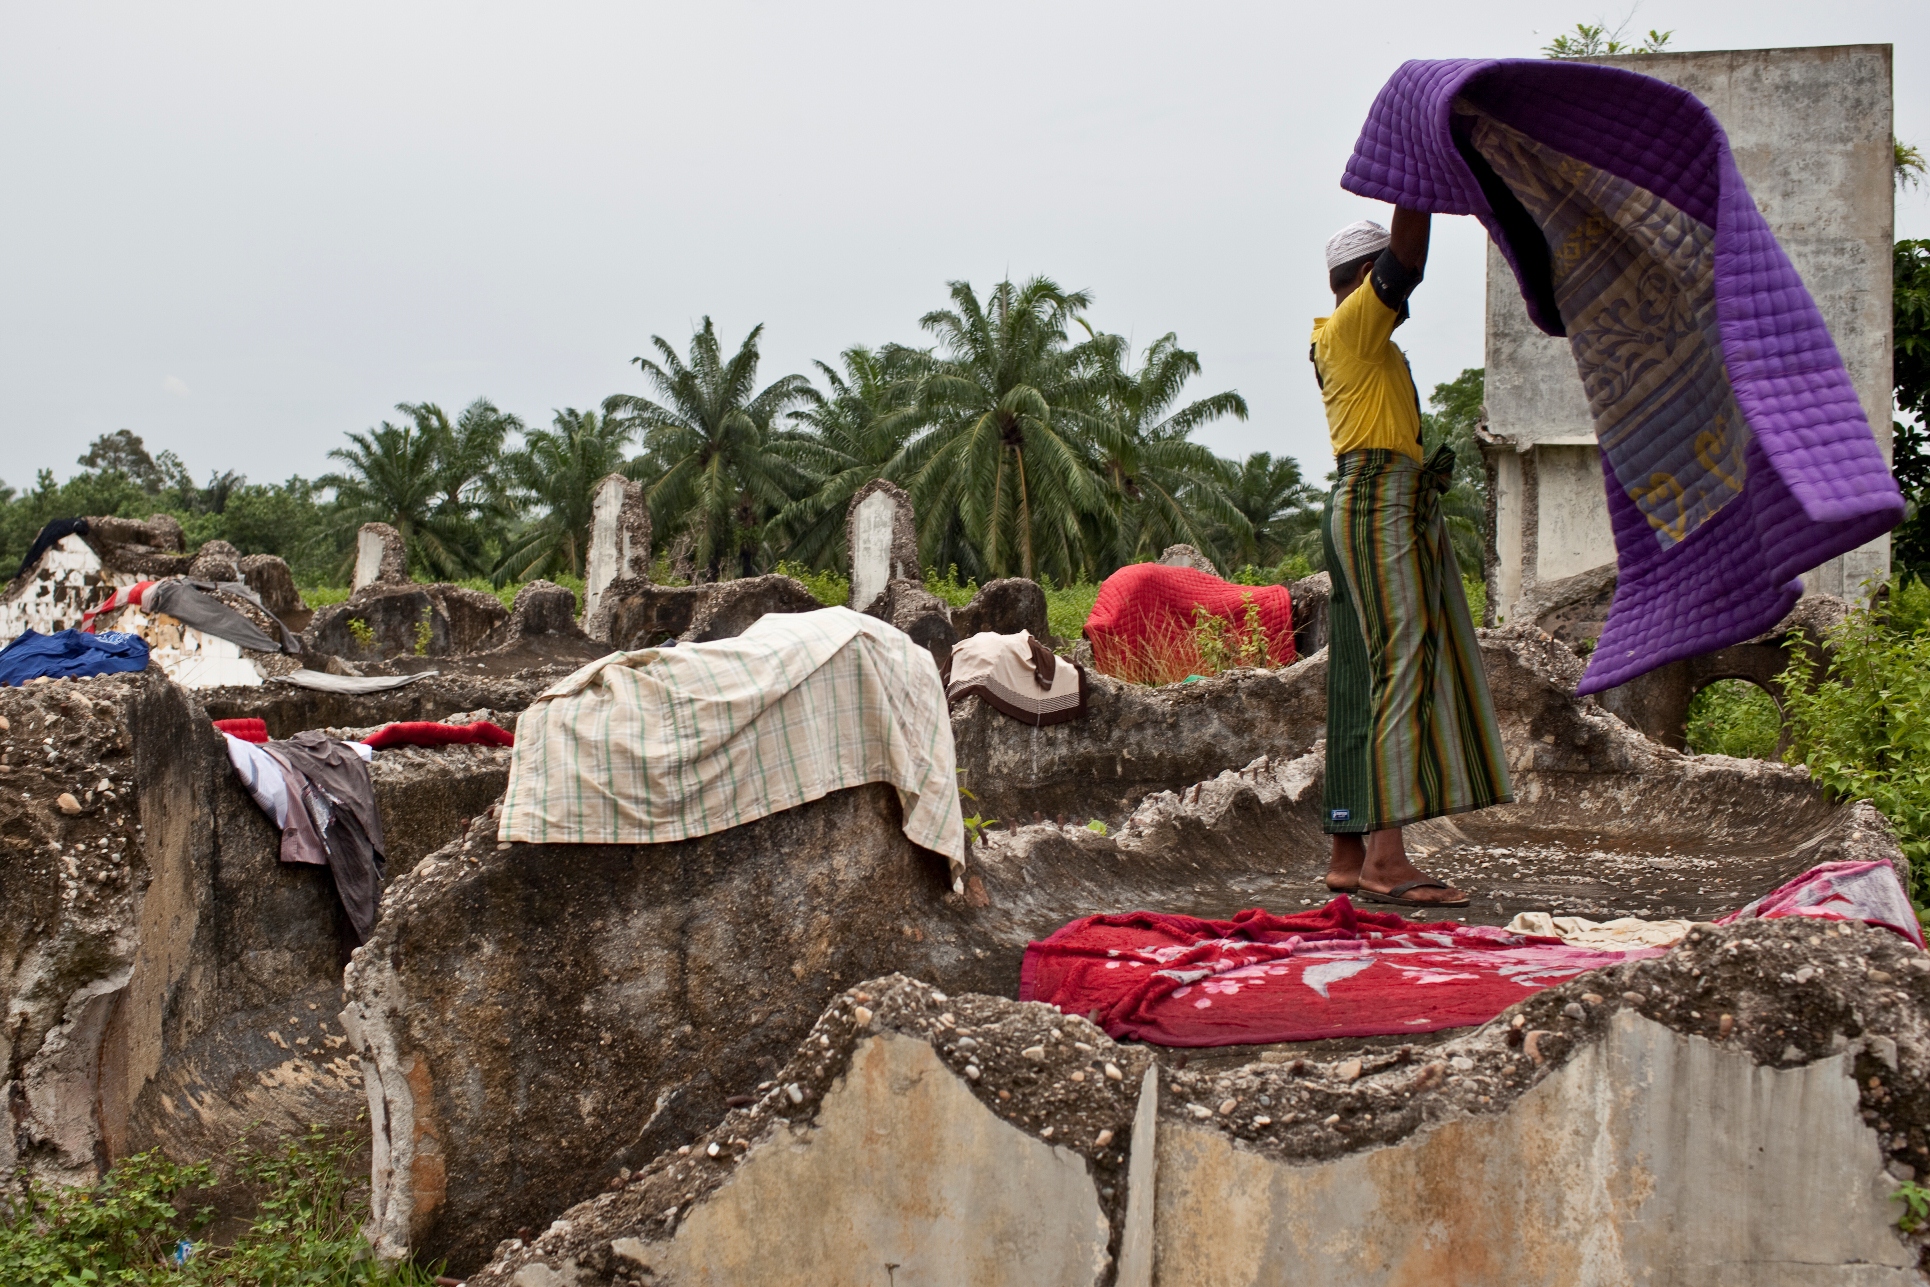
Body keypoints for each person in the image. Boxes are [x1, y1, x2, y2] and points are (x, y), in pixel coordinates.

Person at [1310, 212, 1511, 908]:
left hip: (1360, 501)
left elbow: (1400, 266)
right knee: (1403, 664)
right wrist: (1416, 181)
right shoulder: (1356, 325)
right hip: (1378, 504)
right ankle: (1386, 861)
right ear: (1366, 277)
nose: (1406, 301)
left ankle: (1348, 854)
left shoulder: (1343, 338)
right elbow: (1408, 259)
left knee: (1359, 674)